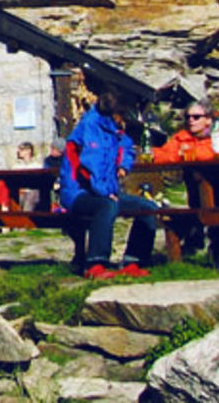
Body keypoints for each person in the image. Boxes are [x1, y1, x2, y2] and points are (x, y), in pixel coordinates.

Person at [60, 91, 159, 279]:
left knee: (148, 207)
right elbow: (89, 167)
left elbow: (127, 147)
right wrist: (105, 193)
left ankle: (134, 261)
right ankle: (95, 264)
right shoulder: (90, 127)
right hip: (78, 192)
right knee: (107, 206)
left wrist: (123, 165)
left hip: (106, 190)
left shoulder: (114, 128)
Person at [152, 101, 219, 270]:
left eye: (196, 117)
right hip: (200, 194)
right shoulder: (181, 139)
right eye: (187, 117)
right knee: (215, 205)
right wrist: (179, 156)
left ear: (208, 120)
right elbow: (159, 157)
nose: (191, 121)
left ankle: (215, 252)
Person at [14, 142, 42, 210]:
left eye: (21, 149)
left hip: (31, 192)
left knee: (31, 196)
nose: (19, 151)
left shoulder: (37, 166)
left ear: (29, 151)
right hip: (19, 192)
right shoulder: (16, 166)